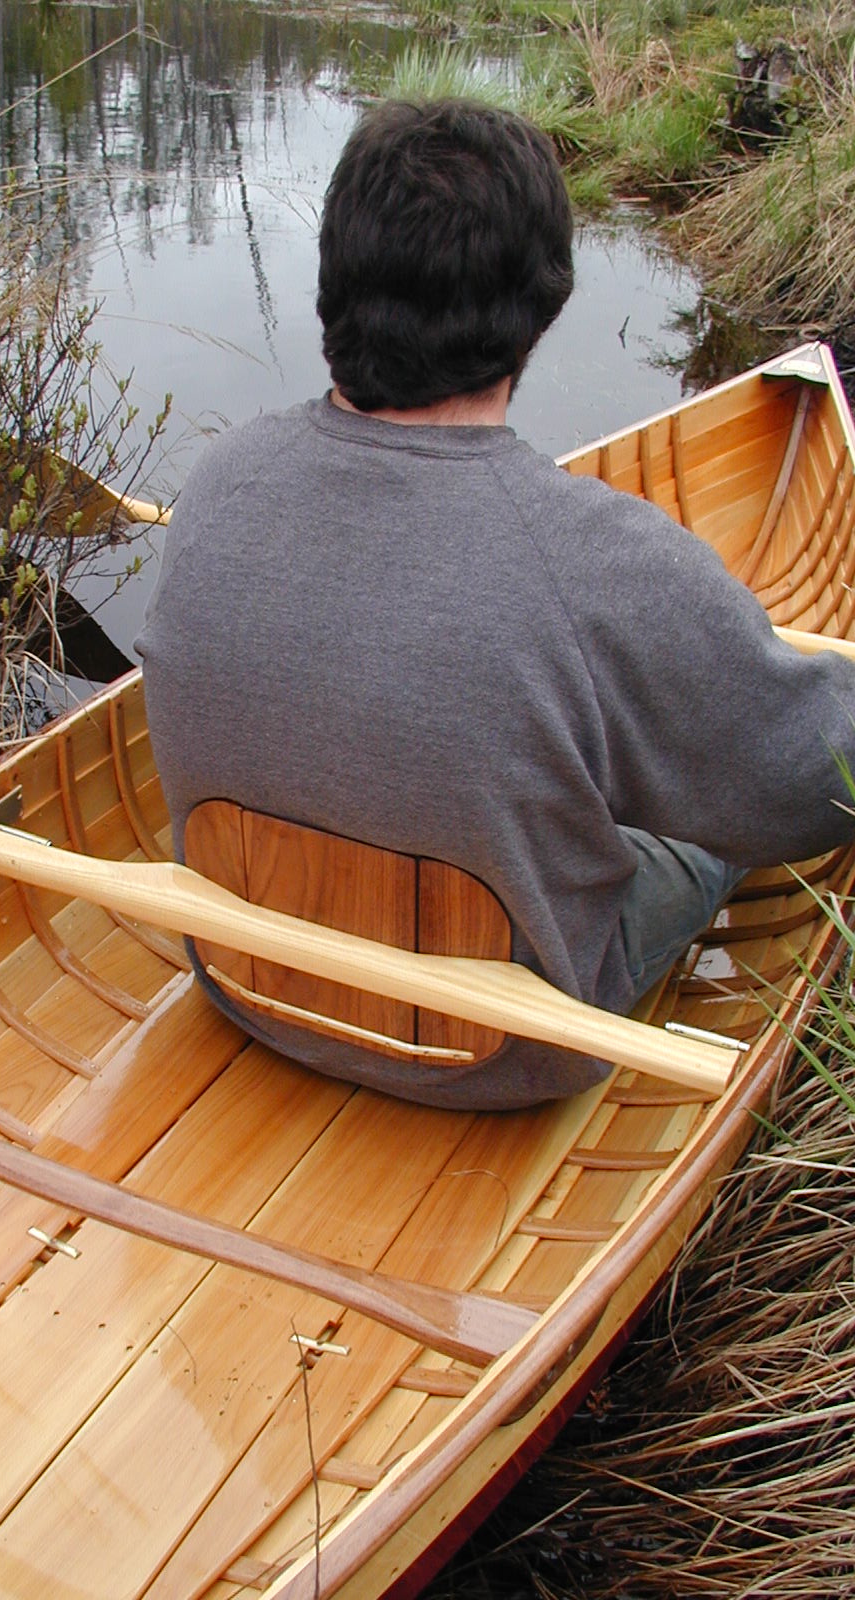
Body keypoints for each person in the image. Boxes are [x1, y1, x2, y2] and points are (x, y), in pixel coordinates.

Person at [134, 98, 855, 1110]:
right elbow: (822, 777)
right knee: (705, 819)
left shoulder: (218, 479)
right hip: (503, 1057)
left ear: (336, 280)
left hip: (246, 984)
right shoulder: (602, 559)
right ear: (543, 303)